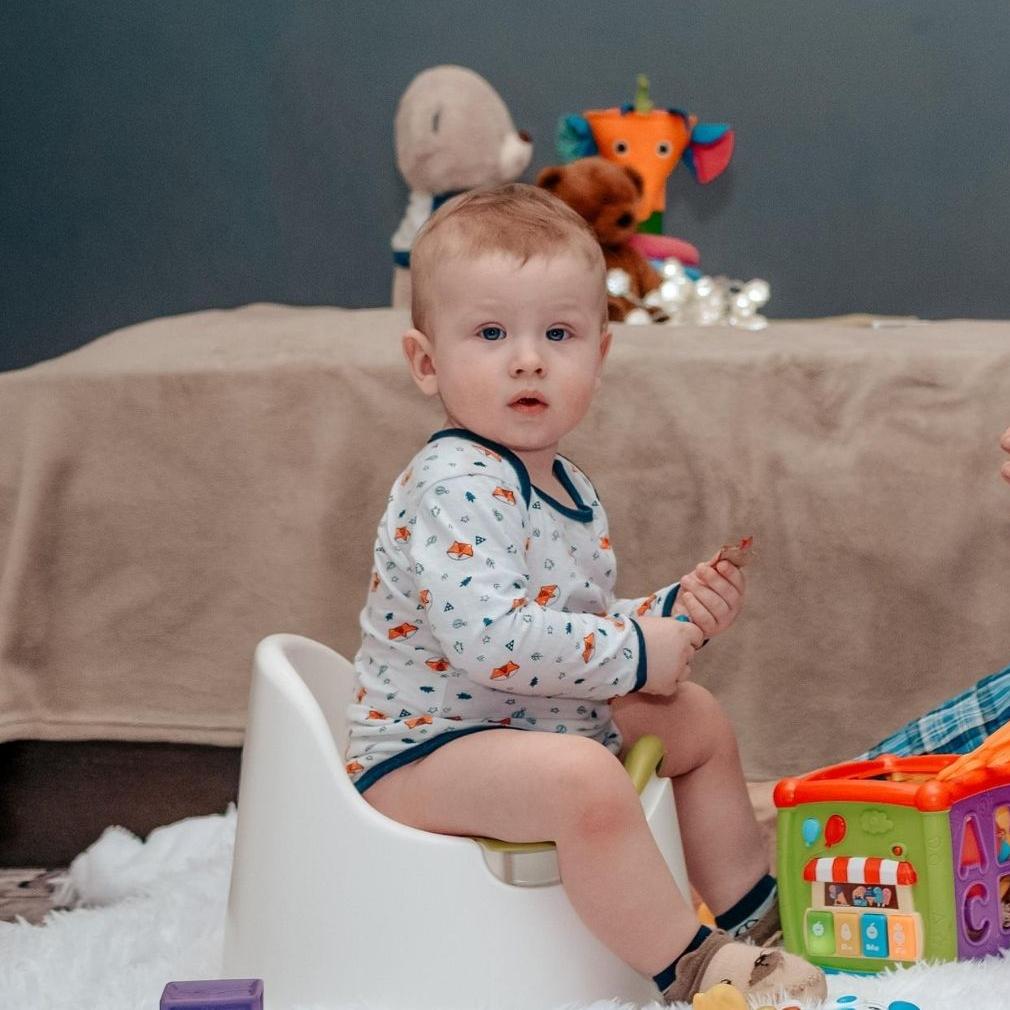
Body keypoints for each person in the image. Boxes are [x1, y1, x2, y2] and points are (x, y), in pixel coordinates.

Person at [344, 183, 826, 1005]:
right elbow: (494, 642)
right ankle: (690, 964)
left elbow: (566, 628)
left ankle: (754, 917)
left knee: (694, 719)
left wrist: (665, 613)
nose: (528, 358)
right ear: (427, 363)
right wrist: (637, 652)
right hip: (425, 750)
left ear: (599, 359)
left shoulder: (562, 483)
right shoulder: (456, 482)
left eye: (559, 333)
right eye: (491, 333)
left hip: (522, 718)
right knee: (585, 781)